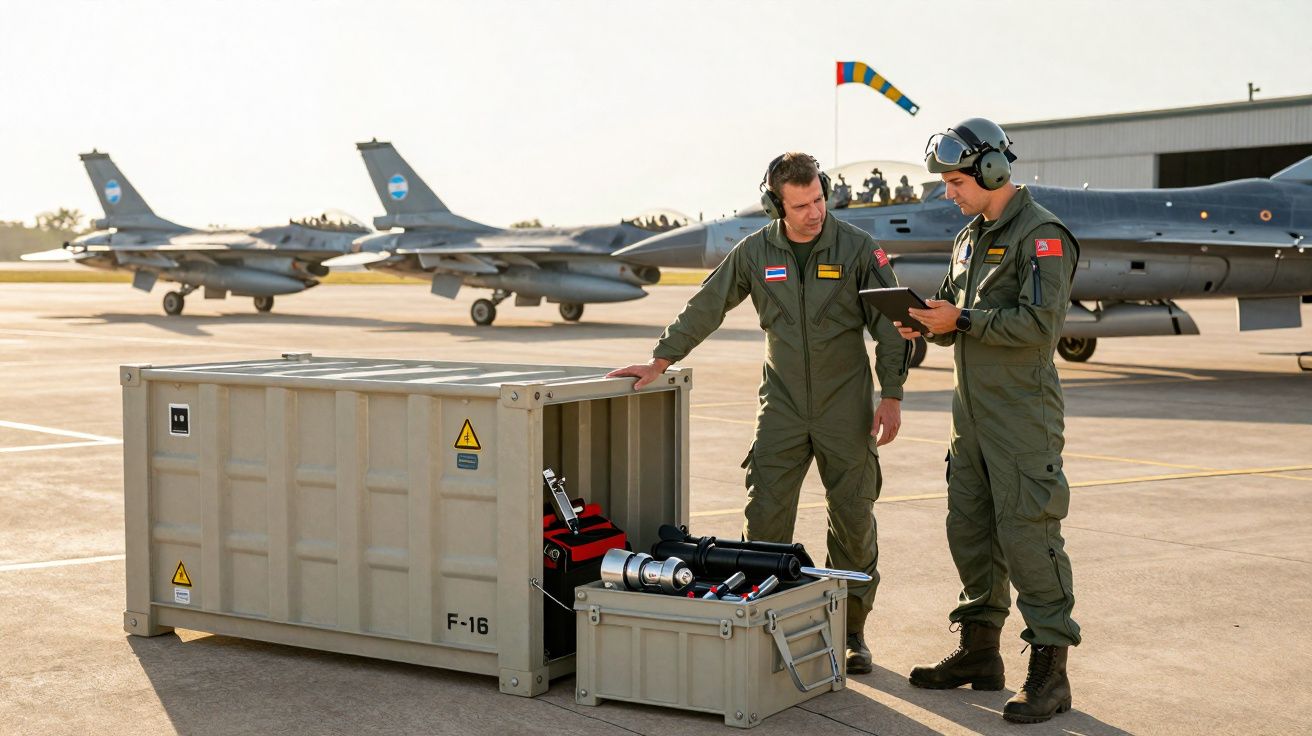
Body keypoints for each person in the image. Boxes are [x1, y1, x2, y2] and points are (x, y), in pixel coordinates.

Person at [607, 152, 910, 674]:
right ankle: (768, 616)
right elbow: (708, 304)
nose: (815, 212)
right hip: (783, 407)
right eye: (801, 205)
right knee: (765, 516)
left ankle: (851, 630)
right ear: (777, 204)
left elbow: (890, 324)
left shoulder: (859, 248)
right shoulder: (755, 252)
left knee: (854, 519)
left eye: (818, 199)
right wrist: (662, 357)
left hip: (846, 406)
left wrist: (892, 393)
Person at [893, 118, 1081, 724]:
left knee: (1028, 534)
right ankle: (979, 653)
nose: (948, 193)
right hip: (969, 417)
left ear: (992, 170)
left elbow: (1039, 328)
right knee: (969, 529)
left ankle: (1050, 673)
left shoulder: (1043, 235)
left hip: (1021, 415)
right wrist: (926, 322)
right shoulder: (969, 238)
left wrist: (964, 321)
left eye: (954, 181)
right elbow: (957, 319)